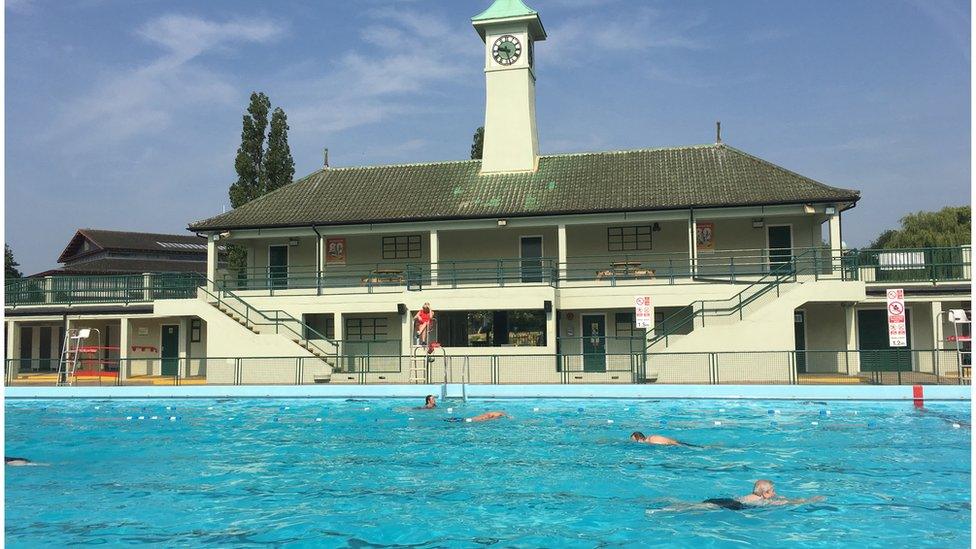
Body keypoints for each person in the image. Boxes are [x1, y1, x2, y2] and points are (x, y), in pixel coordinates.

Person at [700, 480, 824, 510]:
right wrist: (808, 500)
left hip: (727, 500)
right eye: (772, 491)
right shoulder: (764, 501)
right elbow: (786, 502)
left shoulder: (752, 495)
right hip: (733, 505)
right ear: (765, 493)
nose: (775, 493)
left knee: (697, 505)